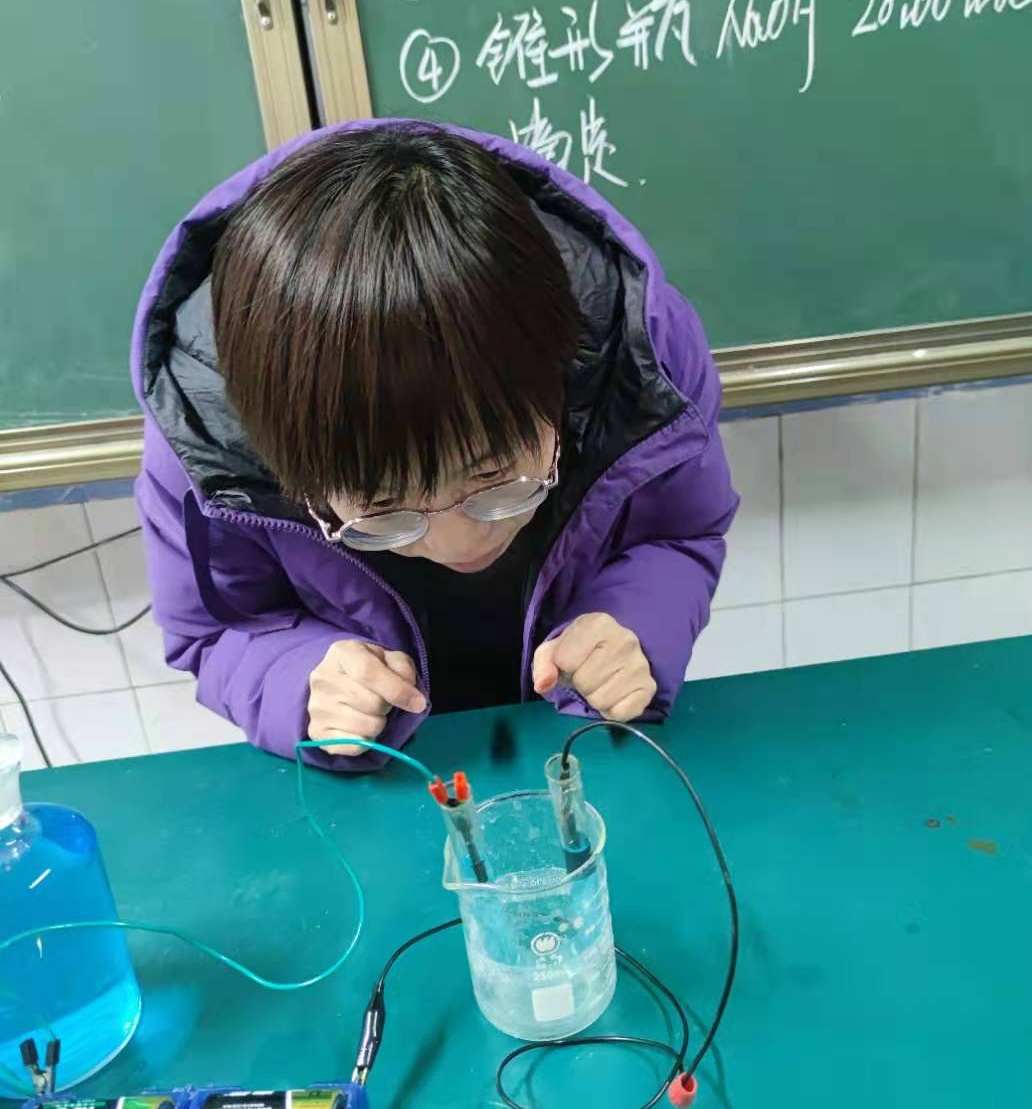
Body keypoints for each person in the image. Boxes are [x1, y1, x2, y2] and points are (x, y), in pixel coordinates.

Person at [131, 122, 738, 770]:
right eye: (384, 509)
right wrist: (302, 683)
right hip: (395, 772)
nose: (458, 546)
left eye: (495, 478)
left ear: (560, 385)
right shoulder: (204, 437)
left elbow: (680, 532)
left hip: (574, 741)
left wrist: (633, 622)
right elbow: (216, 626)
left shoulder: (642, 360)